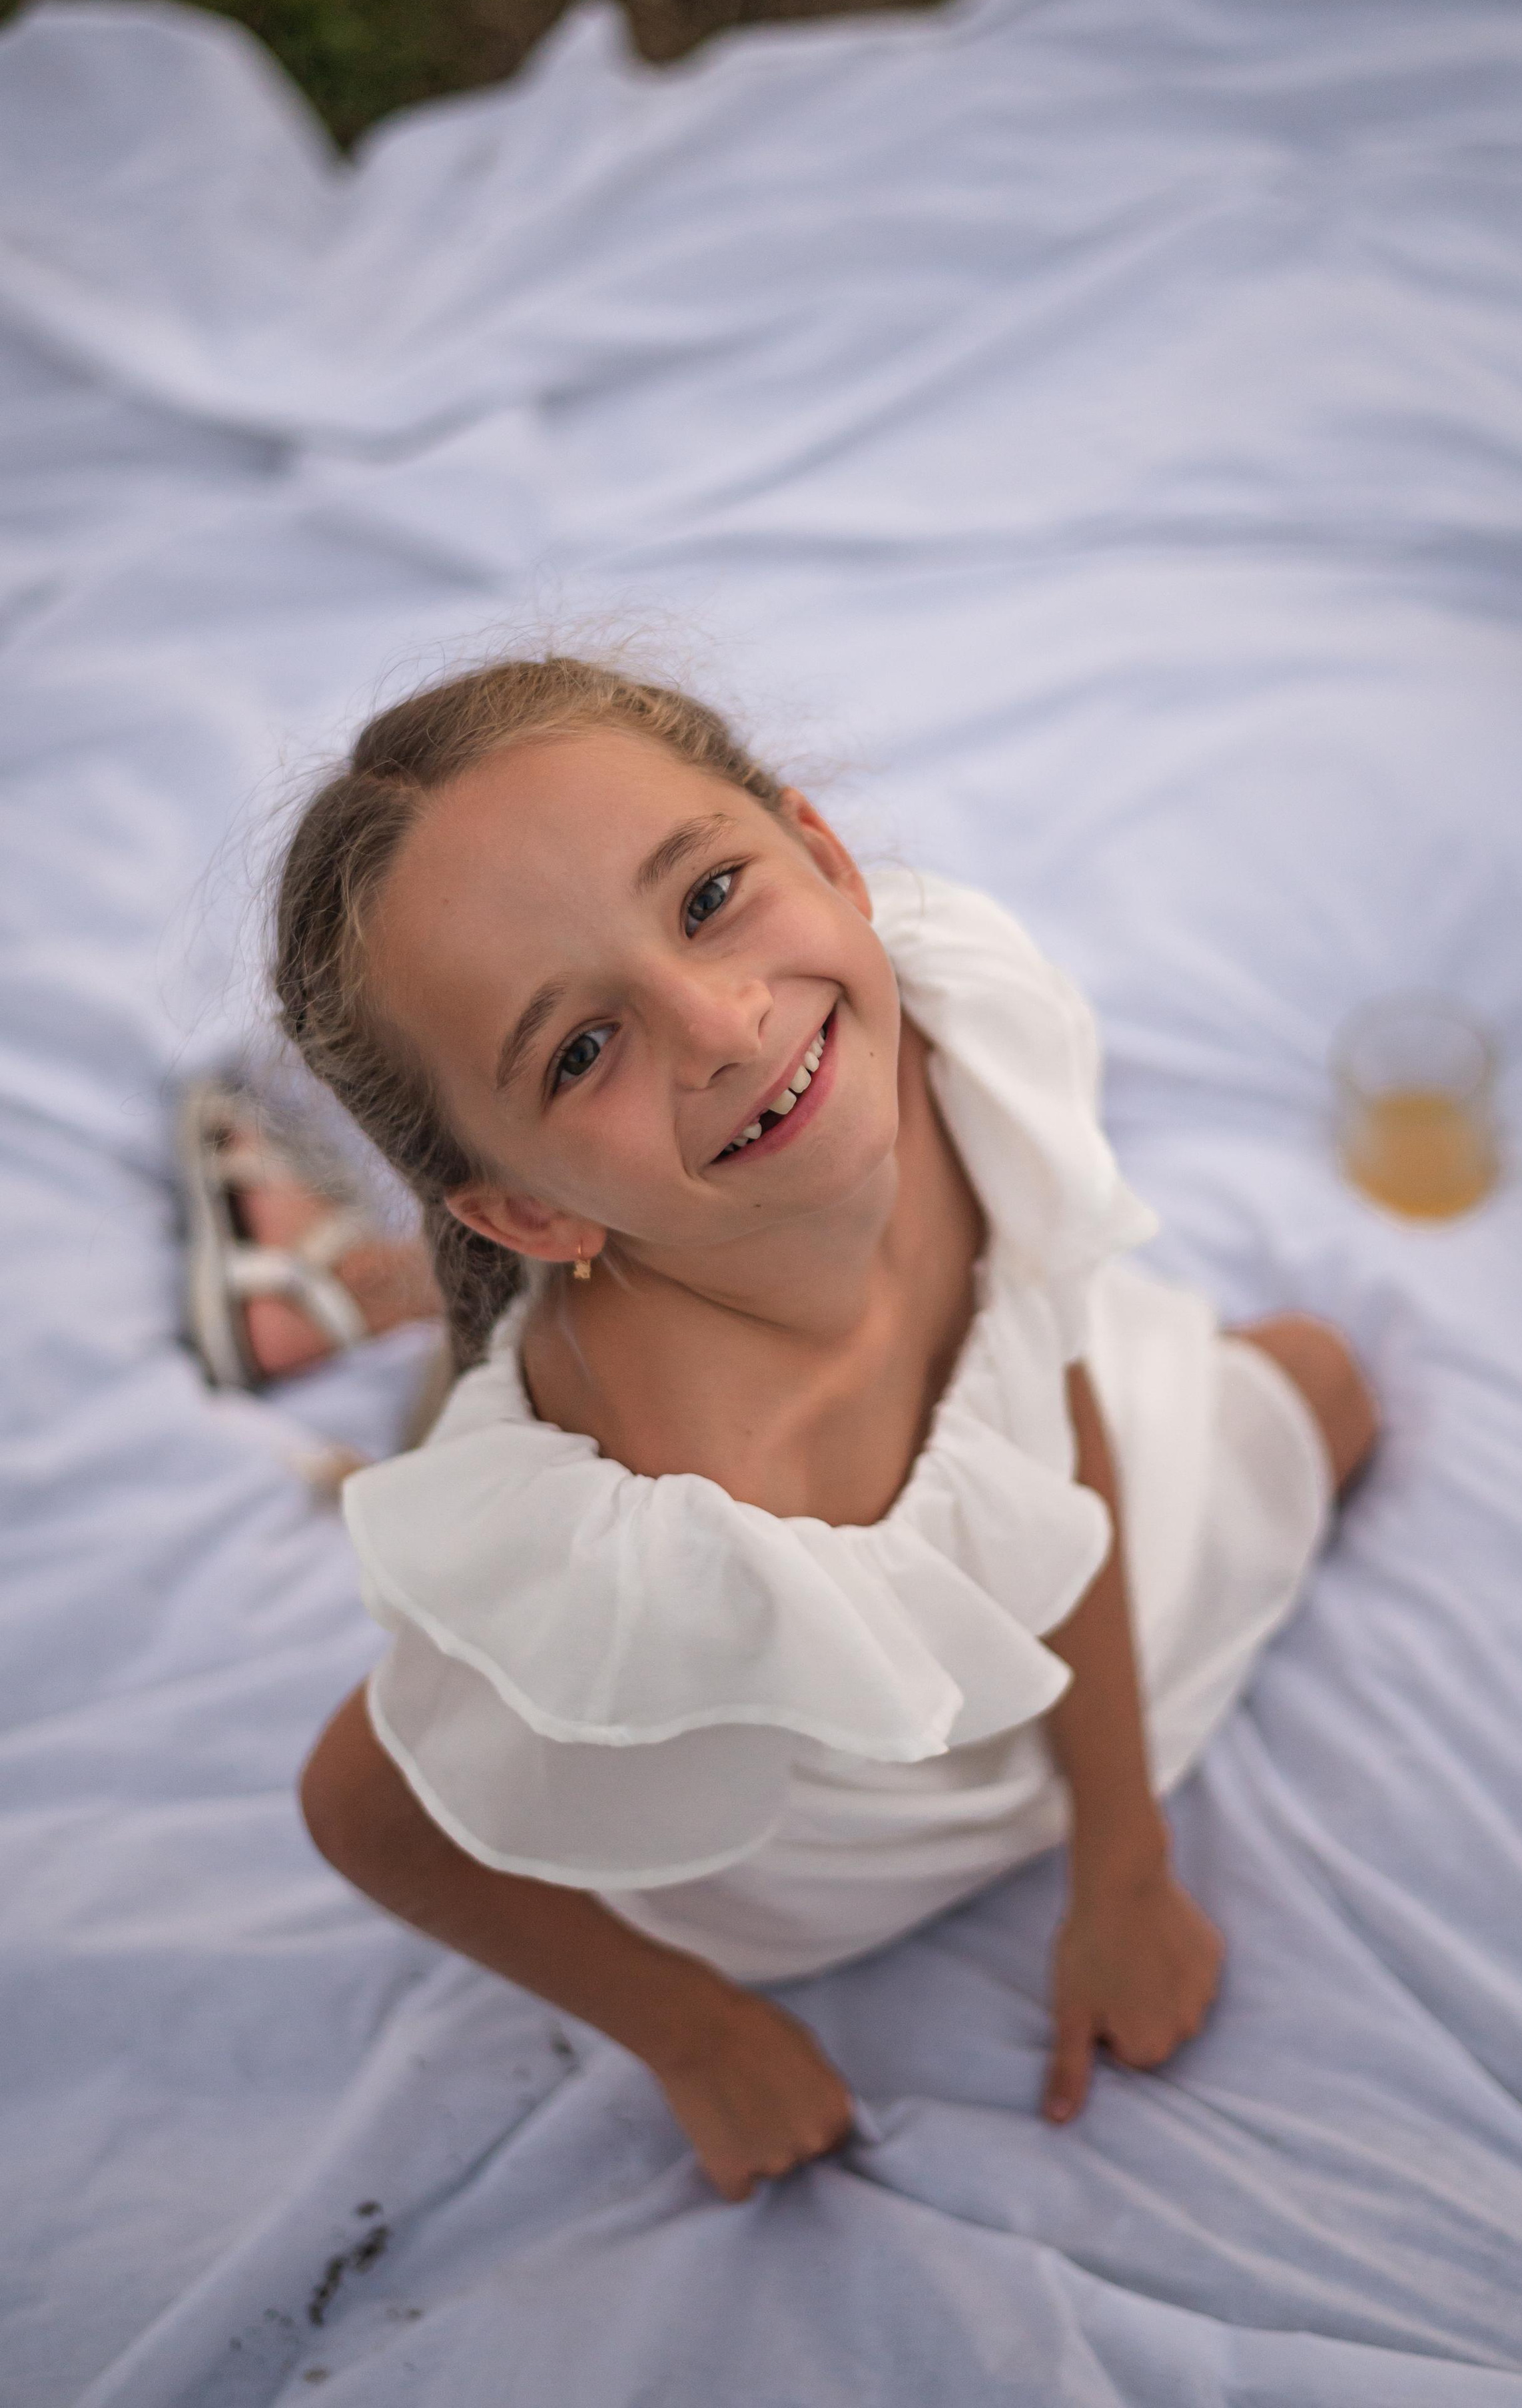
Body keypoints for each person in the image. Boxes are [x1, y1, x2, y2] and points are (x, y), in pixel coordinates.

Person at [260, 655, 1376, 2204]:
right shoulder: (652, 1511)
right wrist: (697, 2032)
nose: (720, 1021)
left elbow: (1039, 1414)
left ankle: (383, 1282)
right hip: (829, 1839)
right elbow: (361, 1810)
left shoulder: (936, 1049)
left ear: (822, 853)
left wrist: (1122, 1859)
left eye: (709, 893)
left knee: (1328, 1384)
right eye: (580, 1051)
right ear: (525, 1204)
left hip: (1042, 1618)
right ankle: (374, 1292)